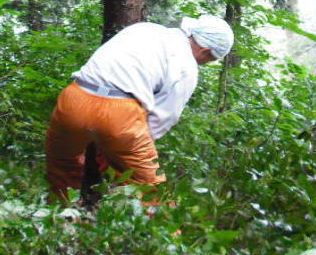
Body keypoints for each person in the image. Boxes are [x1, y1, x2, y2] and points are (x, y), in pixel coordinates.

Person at [45, 15, 234, 200]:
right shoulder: (187, 67)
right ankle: (158, 229)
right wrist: (121, 148)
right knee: (150, 187)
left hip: (74, 98)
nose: (205, 63)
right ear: (205, 51)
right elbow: (162, 118)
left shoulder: (144, 29)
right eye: (210, 59)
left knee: (62, 170)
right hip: (119, 112)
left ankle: (61, 219)